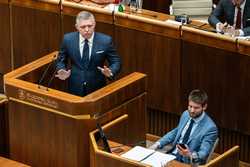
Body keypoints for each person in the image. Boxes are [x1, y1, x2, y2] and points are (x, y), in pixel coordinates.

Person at [56, 11, 121, 96]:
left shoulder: (105, 41)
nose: (87, 30)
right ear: (77, 27)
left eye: (90, 26)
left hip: (97, 88)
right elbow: (60, 59)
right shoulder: (68, 39)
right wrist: (61, 70)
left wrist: (111, 71)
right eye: (83, 27)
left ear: (94, 24)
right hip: (75, 87)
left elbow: (116, 61)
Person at [149, 89, 218, 165]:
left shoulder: (210, 128)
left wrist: (189, 154)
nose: (192, 110)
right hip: (172, 155)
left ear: (204, 107)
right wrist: (158, 144)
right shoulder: (186, 114)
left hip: (187, 162)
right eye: (190, 106)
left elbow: (203, 153)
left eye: (196, 108)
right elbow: (175, 132)